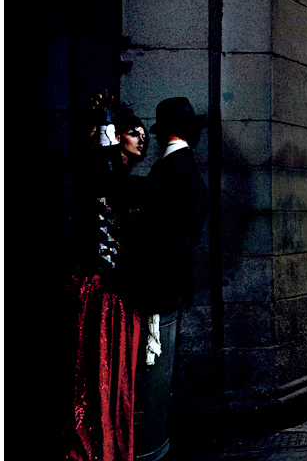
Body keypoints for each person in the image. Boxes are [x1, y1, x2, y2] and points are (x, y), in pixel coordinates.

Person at [65, 107, 148, 461]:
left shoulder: (123, 178)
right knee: (99, 374)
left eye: (144, 133)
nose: (141, 138)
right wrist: (103, 139)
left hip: (120, 291)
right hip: (103, 291)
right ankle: (99, 448)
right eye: (133, 132)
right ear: (115, 137)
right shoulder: (103, 176)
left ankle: (110, 444)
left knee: (117, 379)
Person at [132, 97, 208, 461]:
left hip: (161, 281)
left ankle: (153, 446)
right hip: (171, 278)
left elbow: (163, 227)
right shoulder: (185, 166)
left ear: (168, 132)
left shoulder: (172, 168)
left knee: (153, 369)